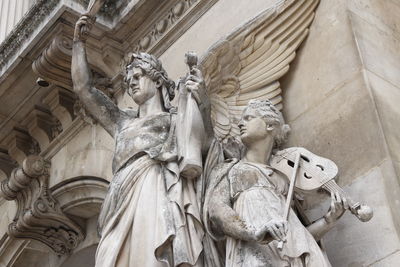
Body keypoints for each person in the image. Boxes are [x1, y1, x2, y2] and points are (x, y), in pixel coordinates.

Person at [72, 15, 205, 267]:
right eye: (128, 79)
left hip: (153, 191)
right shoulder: (122, 122)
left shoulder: (174, 119)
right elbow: (83, 89)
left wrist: (200, 97)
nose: (131, 81)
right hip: (120, 200)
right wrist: (78, 44)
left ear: (157, 80)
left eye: (138, 75)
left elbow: (200, 144)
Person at [204, 99, 347, 267]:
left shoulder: (285, 180)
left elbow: (299, 239)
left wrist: (328, 220)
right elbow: (217, 211)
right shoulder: (230, 170)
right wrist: (254, 233)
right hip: (256, 256)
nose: (240, 123)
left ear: (270, 126)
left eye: (248, 118)